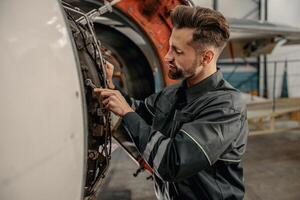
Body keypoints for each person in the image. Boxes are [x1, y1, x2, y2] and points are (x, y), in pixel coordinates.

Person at [94, 5, 248, 200]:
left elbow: (172, 163)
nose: (167, 56)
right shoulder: (172, 94)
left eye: (177, 51)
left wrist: (126, 113)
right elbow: (139, 114)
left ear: (206, 57)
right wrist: (111, 87)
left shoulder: (227, 107)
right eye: (169, 47)